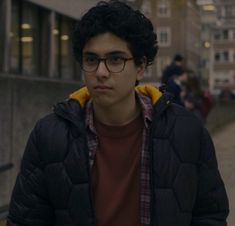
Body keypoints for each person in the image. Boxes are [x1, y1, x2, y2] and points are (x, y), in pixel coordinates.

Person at [7, 1, 229, 226]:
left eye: (115, 59)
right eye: (91, 60)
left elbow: (209, 215)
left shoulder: (187, 131)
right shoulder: (49, 136)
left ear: (141, 67)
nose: (101, 72)